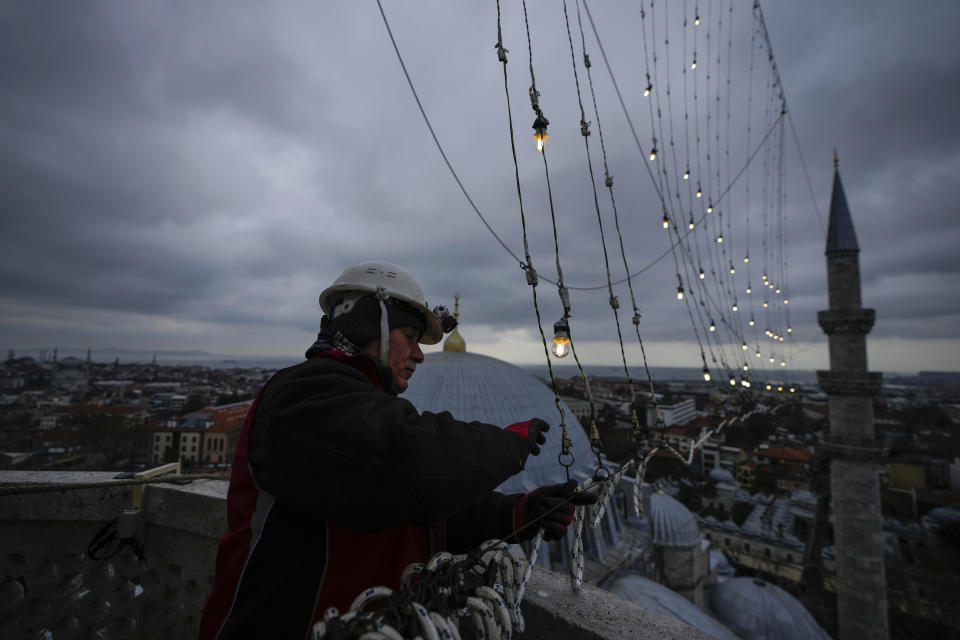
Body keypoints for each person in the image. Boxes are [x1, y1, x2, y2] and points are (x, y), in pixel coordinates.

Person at [199, 261, 594, 640]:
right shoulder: (303, 397)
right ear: (369, 325)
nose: (420, 355)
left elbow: (410, 512)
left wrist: (515, 512)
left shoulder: (363, 406)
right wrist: (509, 444)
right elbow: (413, 466)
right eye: (409, 336)